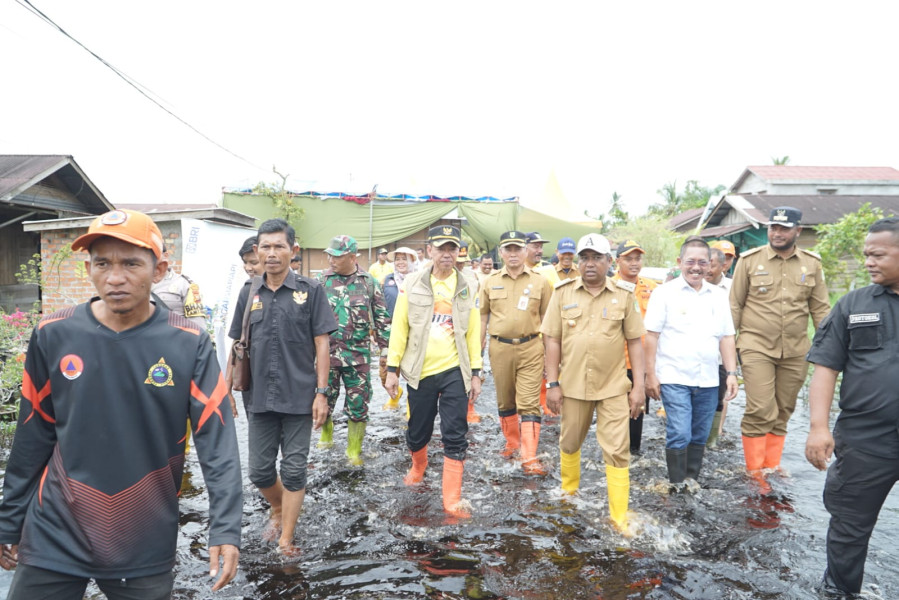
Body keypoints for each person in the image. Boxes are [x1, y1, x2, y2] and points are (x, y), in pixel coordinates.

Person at [0, 209, 242, 598]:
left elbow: (217, 442)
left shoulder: (188, 343)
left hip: (141, 532)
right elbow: (33, 435)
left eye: (131, 263)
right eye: (103, 263)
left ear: (159, 269)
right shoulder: (53, 334)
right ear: (88, 268)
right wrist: (9, 520)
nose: (115, 277)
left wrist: (226, 527)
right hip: (55, 528)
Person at [227, 218, 337, 555]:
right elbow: (236, 343)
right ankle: (277, 507)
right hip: (258, 395)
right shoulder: (249, 292)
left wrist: (322, 393)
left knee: (292, 469)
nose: (271, 253)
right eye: (265, 246)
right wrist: (226, 387)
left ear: (293, 250)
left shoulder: (311, 291)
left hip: (299, 395)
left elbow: (322, 346)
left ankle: (287, 537)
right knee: (259, 471)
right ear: (257, 250)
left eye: (279, 246)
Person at [805, 218, 899, 596]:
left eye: (877, 255)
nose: (868, 262)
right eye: (865, 255)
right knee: (849, 525)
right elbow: (825, 368)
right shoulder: (853, 305)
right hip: (866, 440)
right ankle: (840, 591)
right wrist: (817, 427)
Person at [541, 233, 645, 532]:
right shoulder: (562, 293)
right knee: (570, 442)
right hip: (572, 386)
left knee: (617, 449)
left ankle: (619, 518)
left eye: (597, 258)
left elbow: (636, 343)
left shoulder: (624, 294)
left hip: (613, 387)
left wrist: (639, 386)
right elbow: (552, 340)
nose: (589, 264)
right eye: (584, 257)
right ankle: (569, 493)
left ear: (609, 262)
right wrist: (552, 384)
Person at [384, 225, 482, 518]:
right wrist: (392, 369)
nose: (447, 254)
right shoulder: (412, 284)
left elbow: (473, 331)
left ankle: (451, 501)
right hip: (420, 371)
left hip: (455, 370)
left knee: (455, 434)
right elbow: (399, 328)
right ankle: (418, 465)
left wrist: (475, 372)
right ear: (430, 251)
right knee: (418, 432)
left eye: (452, 248)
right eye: (441, 249)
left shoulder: (468, 284)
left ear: (458, 252)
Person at [730, 206, 830, 483]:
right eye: (773, 227)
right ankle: (754, 471)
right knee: (761, 408)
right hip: (755, 345)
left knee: (784, 408)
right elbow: (735, 305)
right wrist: (727, 349)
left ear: (797, 231)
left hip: (796, 349)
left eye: (784, 228)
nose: (776, 233)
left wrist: (832, 351)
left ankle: (770, 466)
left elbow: (820, 310)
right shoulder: (749, 261)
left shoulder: (812, 264)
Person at [644, 237, 738, 485]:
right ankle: (676, 486)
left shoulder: (717, 296)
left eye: (702, 263)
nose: (696, 268)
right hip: (674, 376)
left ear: (710, 265)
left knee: (700, 435)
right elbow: (651, 336)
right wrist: (650, 375)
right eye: (690, 262)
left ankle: (691, 483)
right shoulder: (664, 293)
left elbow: (727, 336)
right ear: (680, 262)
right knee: (680, 433)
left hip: (707, 378)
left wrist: (731, 373)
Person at [480, 230, 554, 474]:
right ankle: (512, 444)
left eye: (517, 249)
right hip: (499, 347)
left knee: (530, 402)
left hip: (531, 346)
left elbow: (548, 319)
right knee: (505, 399)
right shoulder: (489, 281)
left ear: (526, 251)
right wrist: (477, 356)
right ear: (501, 253)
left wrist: (551, 356)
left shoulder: (541, 281)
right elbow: (481, 318)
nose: (513, 254)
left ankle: (530, 456)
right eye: (508, 249)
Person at [317, 235, 391, 464]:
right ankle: (326, 436)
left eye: (336, 256)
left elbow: (381, 320)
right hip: (325, 357)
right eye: (329, 254)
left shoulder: (369, 283)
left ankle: (353, 452)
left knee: (359, 405)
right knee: (324, 400)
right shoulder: (320, 281)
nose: (331, 259)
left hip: (358, 357)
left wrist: (386, 352)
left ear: (352, 256)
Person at [611, 239, 657, 456]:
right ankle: (614, 455)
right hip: (614, 363)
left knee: (636, 412)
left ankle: (633, 455)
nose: (634, 263)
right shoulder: (607, 286)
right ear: (617, 261)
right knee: (613, 414)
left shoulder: (652, 288)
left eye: (637, 258)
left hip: (642, 363)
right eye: (628, 258)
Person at [381, 246, 418, 410]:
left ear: (412, 261)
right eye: (397, 259)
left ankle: (412, 406)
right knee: (385, 371)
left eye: (404, 258)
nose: (400, 262)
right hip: (390, 332)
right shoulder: (387, 280)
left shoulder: (420, 279)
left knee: (414, 371)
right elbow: (380, 305)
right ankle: (396, 394)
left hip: (413, 332)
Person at [705, 246, 732, 448]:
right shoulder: (689, 286)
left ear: (723, 266)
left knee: (718, 398)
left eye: (711, 265)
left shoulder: (732, 289)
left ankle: (713, 438)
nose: (706, 269)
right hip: (694, 355)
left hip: (720, 356)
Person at [151, 243, 207, 330]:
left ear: (165, 255)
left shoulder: (183, 284)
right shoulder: (134, 283)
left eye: (153, 254)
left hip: (173, 340)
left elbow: (198, 327)